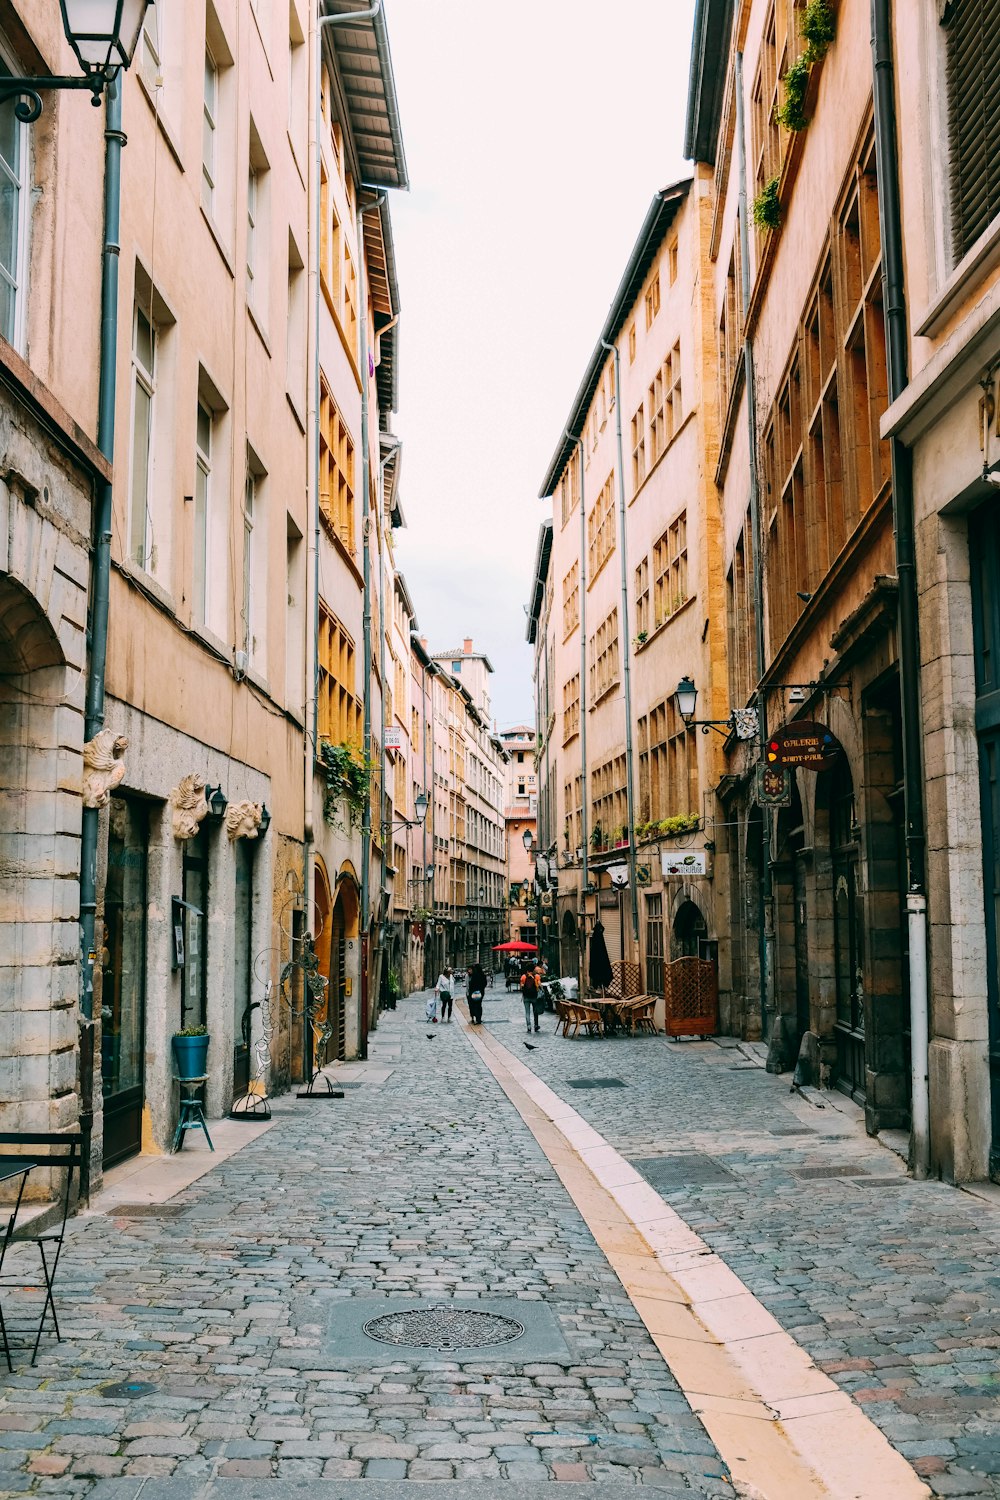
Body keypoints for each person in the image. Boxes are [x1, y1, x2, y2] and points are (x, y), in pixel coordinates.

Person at [520, 965, 542, 1034]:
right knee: (535, 1011)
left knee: (527, 1012)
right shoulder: (537, 976)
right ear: (533, 970)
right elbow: (539, 985)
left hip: (526, 997)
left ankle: (529, 1026)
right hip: (534, 997)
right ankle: (536, 1025)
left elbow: (521, 986)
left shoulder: (523, 976)